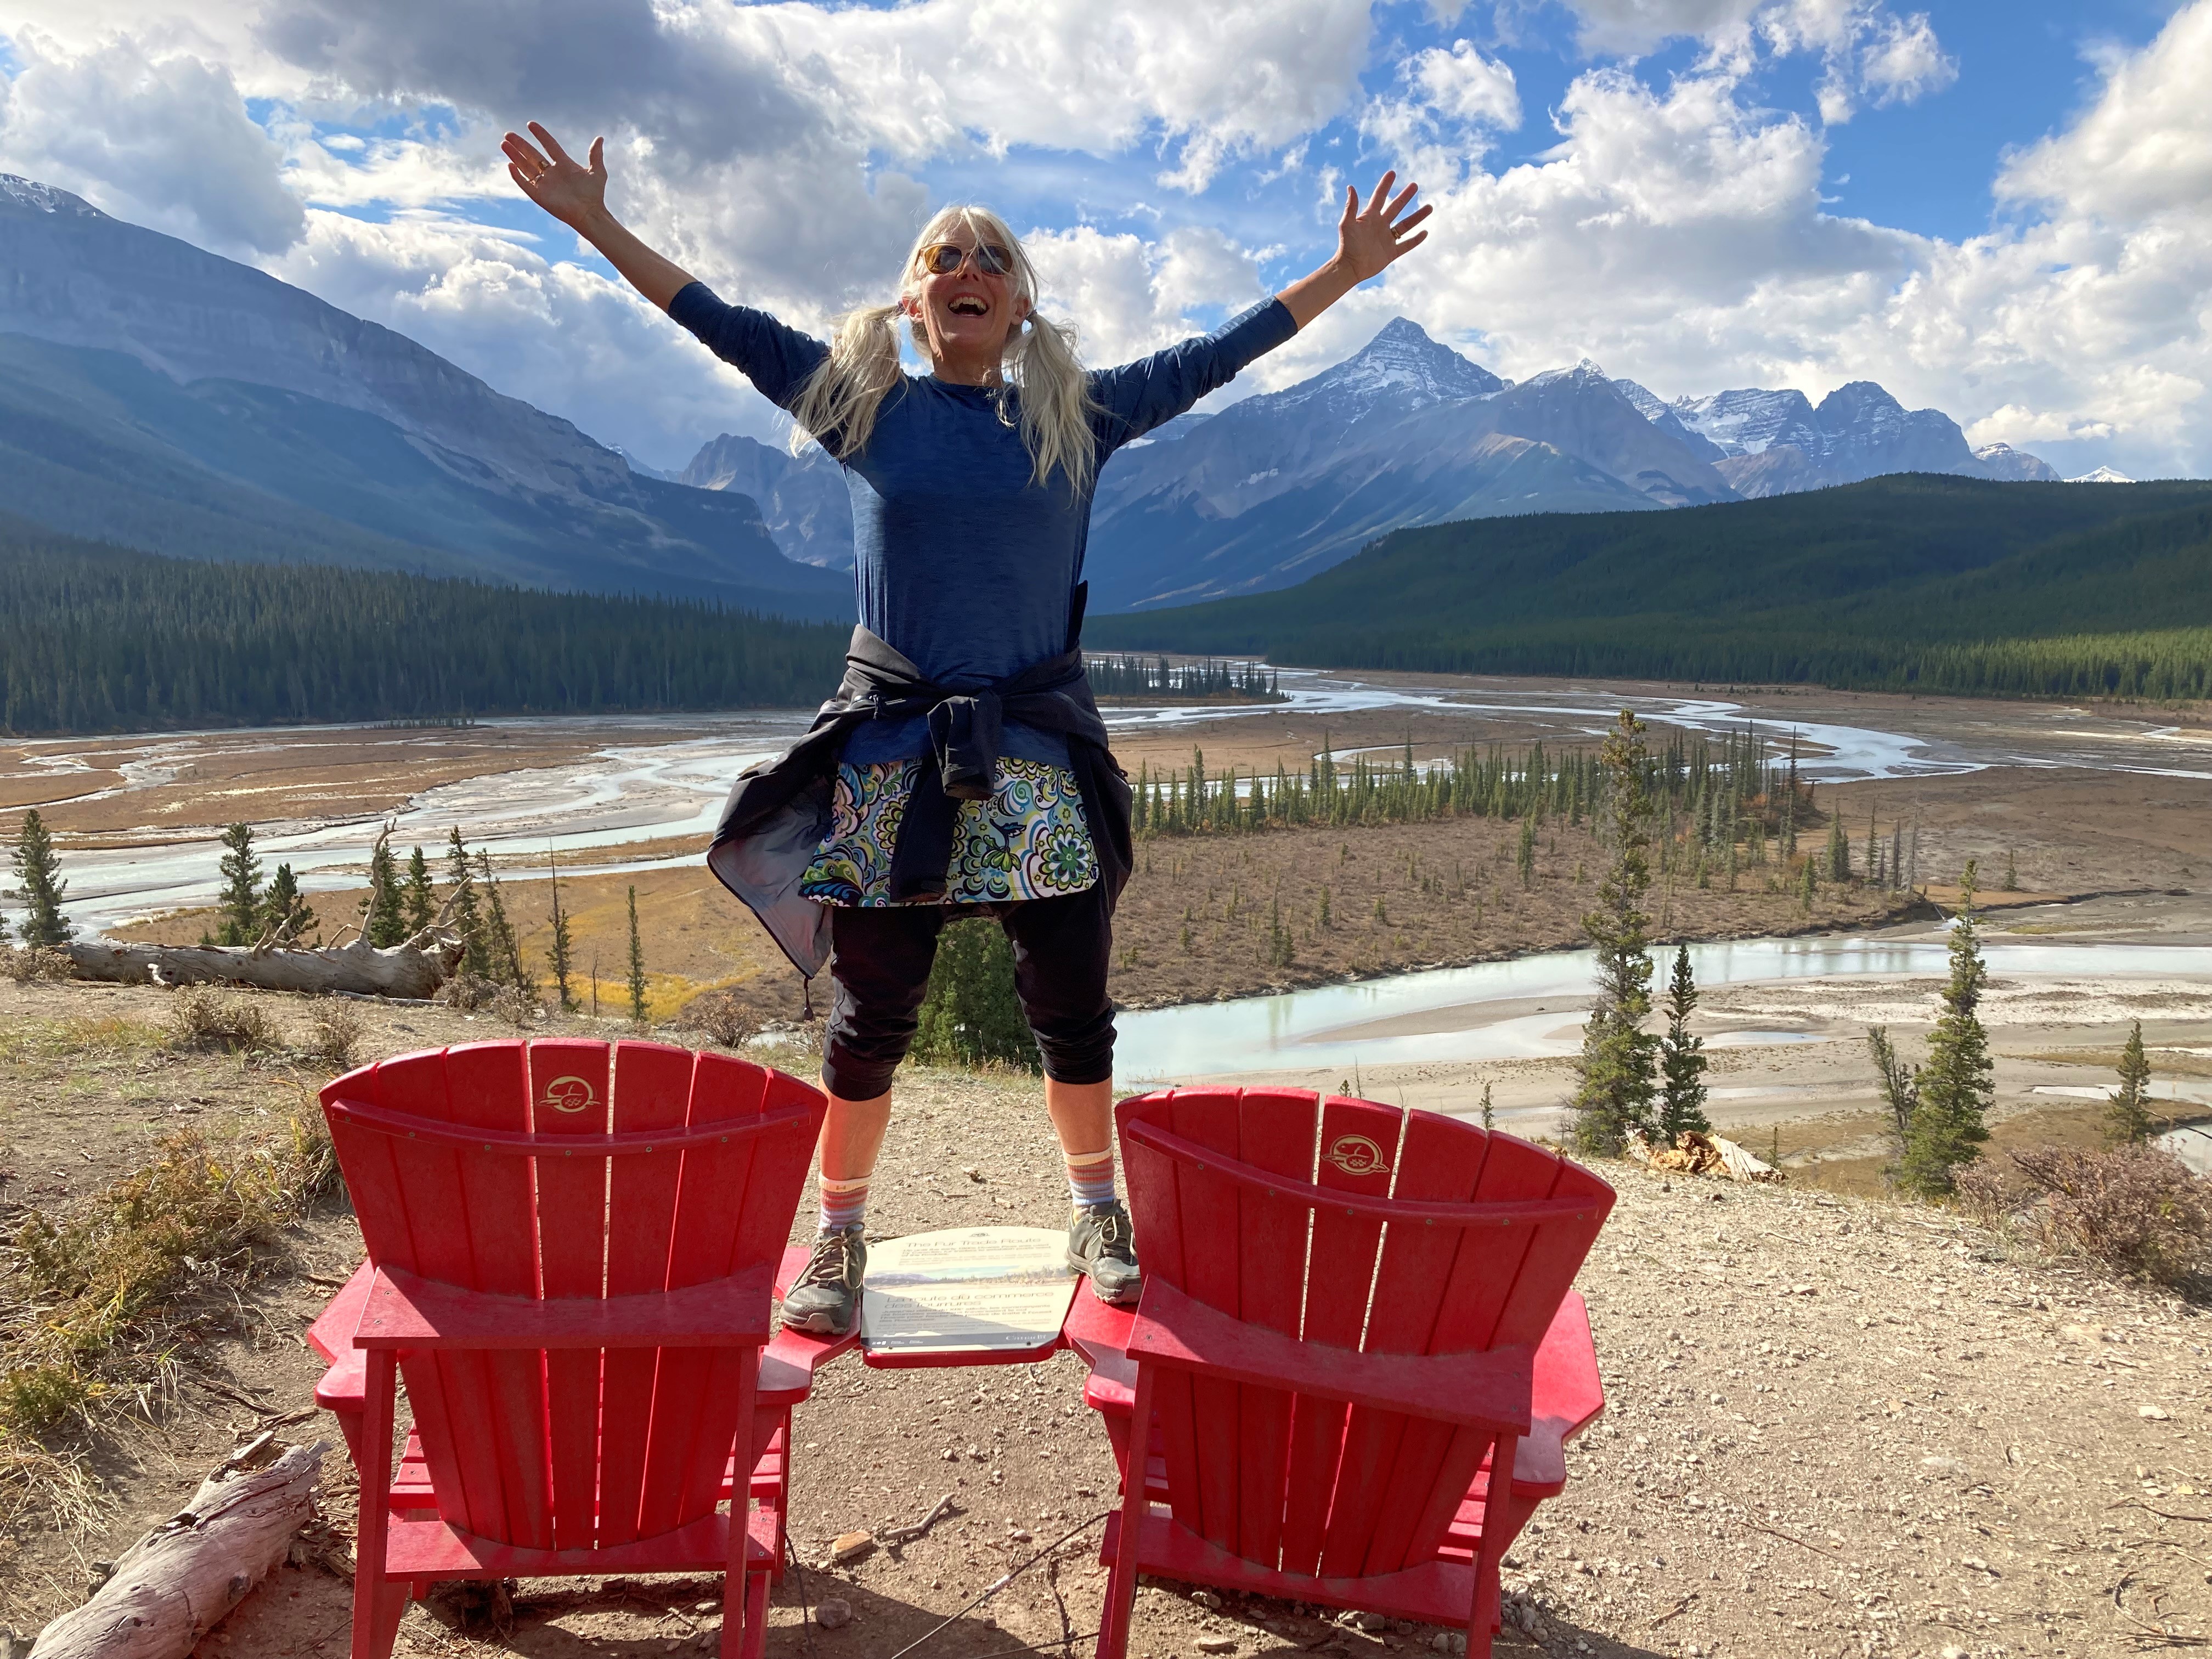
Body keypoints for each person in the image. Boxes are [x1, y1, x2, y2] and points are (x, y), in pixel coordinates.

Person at [504, 122, 1431, 1334]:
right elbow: (714, 317)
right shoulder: (858, 407)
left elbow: (1216, 356)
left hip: (1036, 748)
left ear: (1019, 305)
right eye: (944, 254)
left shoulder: (1076, 420)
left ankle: (1095, 1208)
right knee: (871, 1011)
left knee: (1071, 999)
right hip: (893, 748)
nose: (967, 265)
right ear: (913, 297)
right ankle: (836, 1235)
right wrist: (595, 224)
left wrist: (1341, 276)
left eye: (989, 254)